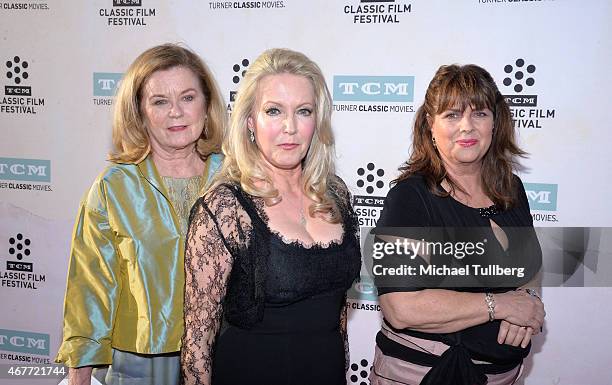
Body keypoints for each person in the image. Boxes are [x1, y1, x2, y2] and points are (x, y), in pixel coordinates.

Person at [181, 48, 361, 385]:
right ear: (250, 121)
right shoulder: (225, 208)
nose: (290, 127)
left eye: (303, 111)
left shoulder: (336, 195)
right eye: (274, 111)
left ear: (317, 120)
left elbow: (337, 314)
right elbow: (196, 345)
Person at [55, 43, 226, 385]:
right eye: (160, 101)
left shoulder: (235, 180)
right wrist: (79, 375)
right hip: (139, 366)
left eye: (188, 98)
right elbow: (90, 288)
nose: (175, 112)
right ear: (140, 112)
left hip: (225, 356)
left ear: (207, 106)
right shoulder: (113, 187)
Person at [369, 64, 545, 385]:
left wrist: (528, 299)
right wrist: (502, 305)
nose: (467, 127)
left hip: (503, 376)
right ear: (430, 125)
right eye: (451, 115)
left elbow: (529, 267)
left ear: (496, 122)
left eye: (479, 114)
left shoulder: (511, 189)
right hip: (423, 375)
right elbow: (401, 307)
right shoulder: (410, 198)